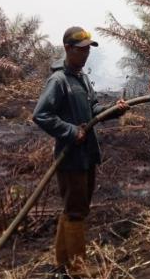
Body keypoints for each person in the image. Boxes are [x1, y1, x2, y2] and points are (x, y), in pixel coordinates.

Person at [33, 26, 129, 275]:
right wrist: (70, 131)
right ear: (68, 49)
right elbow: (41, 115)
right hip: (70, 158)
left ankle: (62, 264)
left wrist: (113, 111)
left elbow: (93, 110)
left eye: (88, 49)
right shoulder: (58, 81)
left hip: (87, 155)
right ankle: (78, 269)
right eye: (82, 49)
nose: (86, 54)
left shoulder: (82, 78)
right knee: (76, 211)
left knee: (75, 209)